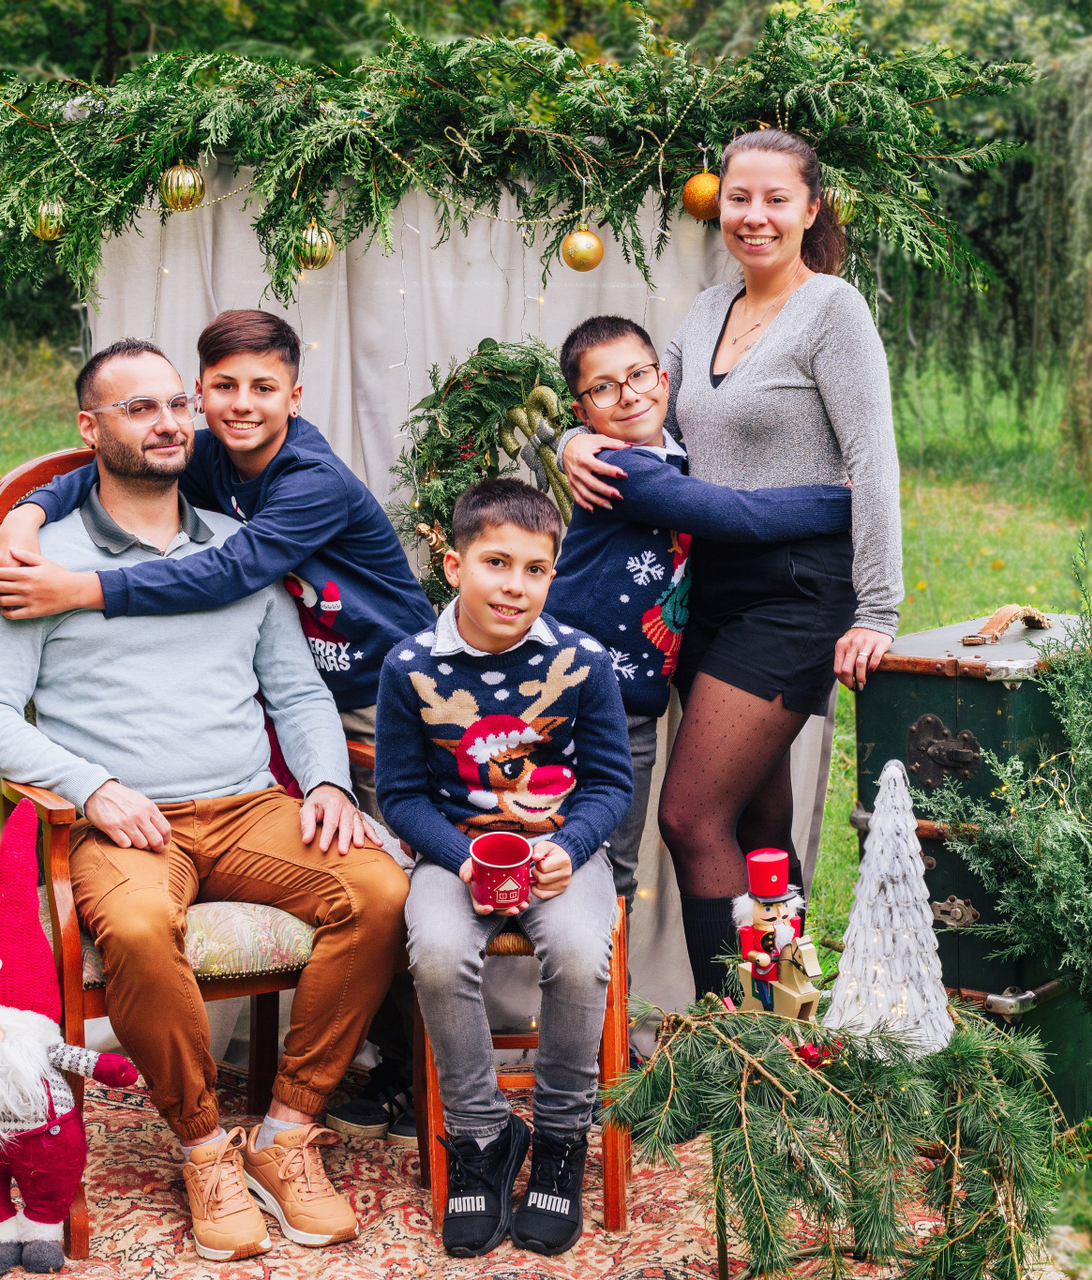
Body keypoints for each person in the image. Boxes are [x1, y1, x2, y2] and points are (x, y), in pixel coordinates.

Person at [0, 337, 409, 1262]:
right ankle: (205, 1149)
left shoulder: (238, 546)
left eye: (175, 406)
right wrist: (92, 788)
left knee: (379, 891)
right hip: (125, 821)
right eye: (139, 408)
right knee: (132, 929)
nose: (168, 424)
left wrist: (325, 779)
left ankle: (286, 1133)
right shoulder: (36, 563)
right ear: (91, 429)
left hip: (246, 805)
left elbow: (297, 692)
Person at [560, 130, 903, 999]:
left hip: (795, 594)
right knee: (758, 823)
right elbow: (646, 414)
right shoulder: (711, 308)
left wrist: (878, 611)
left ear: (811, 209)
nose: (754, 216)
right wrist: (570, 440)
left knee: (690, 815)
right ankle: (790, 1014)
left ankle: (728, 1036)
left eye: (776, 199)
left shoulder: (833, 312)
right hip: (706, 594)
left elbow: (873, 464)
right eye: (738, 199)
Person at [0, 309, 436, 821]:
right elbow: (114, 465)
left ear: (294, 399)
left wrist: (82, 590)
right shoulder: (210, 455)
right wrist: (25, 514)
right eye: (224, 386)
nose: (242, 404)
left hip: (386, 683)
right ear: (201, 394)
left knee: (398, 827)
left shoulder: (314, 481)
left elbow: (230, 572)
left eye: (264, 388)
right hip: (319, 684)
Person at [375, 479, 634, 1259]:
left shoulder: (582, 662)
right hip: (455, 855)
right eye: (496, 562)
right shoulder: (409, 667)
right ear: (455, 565)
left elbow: (611, 785)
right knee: (436, 951)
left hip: (558, 856)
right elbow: (401, 796)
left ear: (553, 574)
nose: (515, 585)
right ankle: (482, 1137)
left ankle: (559, 1136)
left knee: (582, 952)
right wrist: (459, 858)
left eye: (535, 568)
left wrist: (570, 847)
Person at [546, 314, 853, 908]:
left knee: (616, 866)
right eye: (604, 387)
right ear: (583, 410)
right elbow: (740, 516)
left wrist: (566, 441)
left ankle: (767, 964)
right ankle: (594, 966)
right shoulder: (624, 468)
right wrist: (848, 502)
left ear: (665, 379)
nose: (628, 394)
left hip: (632, 700)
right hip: (581, 690)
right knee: (600, 861)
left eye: (639, 375)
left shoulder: (678, 454)